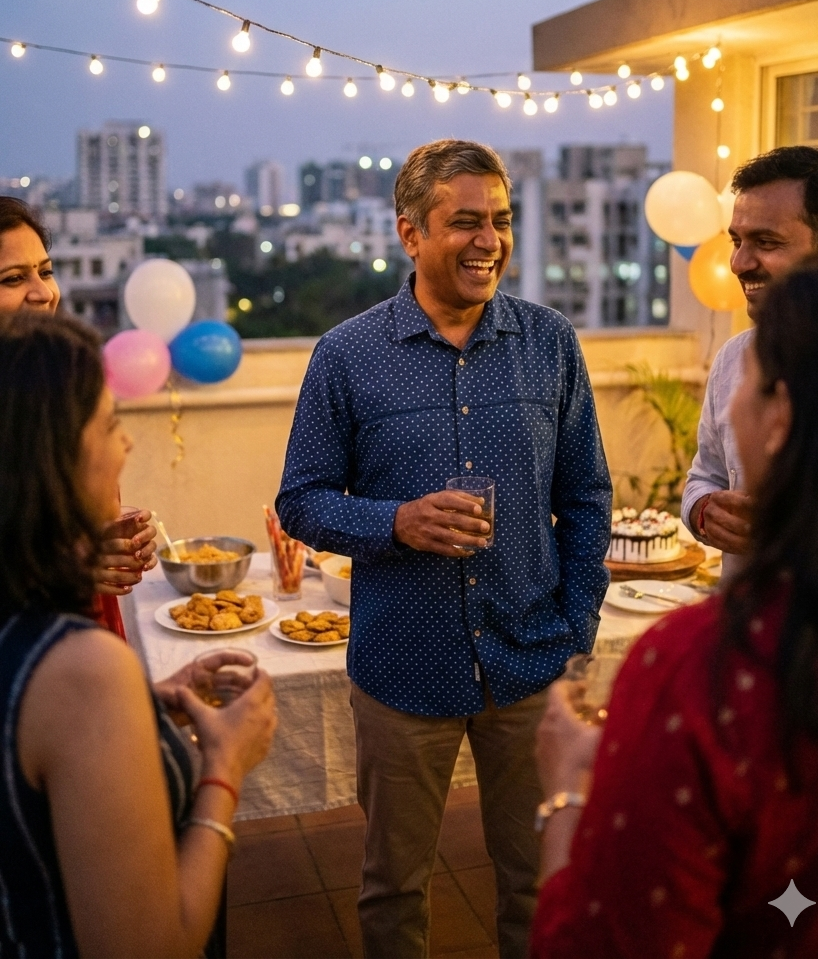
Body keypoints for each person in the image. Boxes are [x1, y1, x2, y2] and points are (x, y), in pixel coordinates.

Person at [277, 139, 611, 959]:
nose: (489, 240)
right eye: (464, 222)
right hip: (402, 669)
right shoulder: (346, 356)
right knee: (395, 888)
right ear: (410, 233)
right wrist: (395, 523)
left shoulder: (551, 342)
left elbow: (588, 495)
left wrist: (575, 629)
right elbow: (302, 500)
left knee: (538, 878)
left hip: (530, 663)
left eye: (499, 220)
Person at [530, 250, 818, 958]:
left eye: (752, 382)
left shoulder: (701, 673)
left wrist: (567, 796)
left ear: (780, 417)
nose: (731, 395)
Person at [0, 311, 277, 958]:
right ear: (53, 459)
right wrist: (224, 768)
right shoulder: (81, 667)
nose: (127, 446)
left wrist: (142, 706)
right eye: (110, 425)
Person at [681, 147, 818, 576]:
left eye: (767, 242)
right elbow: (706, 474)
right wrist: (703, 510)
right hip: (747, 630)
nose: (738, 263)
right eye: (737, 241)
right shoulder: (735, 358)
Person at [0, 195, 158, 635]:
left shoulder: (56, 390)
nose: (44, 293)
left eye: (46, 271)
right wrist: (71, 567)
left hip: (88, 637)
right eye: (13, 278)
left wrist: (115, 533)